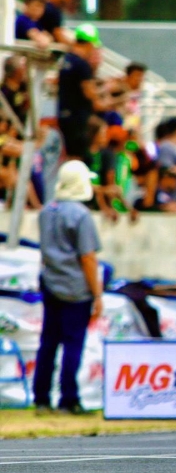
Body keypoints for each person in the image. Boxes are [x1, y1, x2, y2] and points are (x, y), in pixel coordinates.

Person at [34, 161, 103, 415]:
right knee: (73, 343)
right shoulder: (80, 214)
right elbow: (87, 257)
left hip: (51, 283)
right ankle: (68, 399)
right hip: (76, 287)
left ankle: (41, 398)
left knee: (48, 342)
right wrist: (97, 294)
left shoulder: (47, 210)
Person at [58, 24, 104, 159]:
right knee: (78, 157)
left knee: (71, 154)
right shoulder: (82, 64)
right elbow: (89, 92)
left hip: (65, 115)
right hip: (78, 118)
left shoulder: (66, 60)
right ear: (89, 44)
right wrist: (102, 93)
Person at [2, 56, 29, 129]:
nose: (25, 70)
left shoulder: (24, 87)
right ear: (17, 71)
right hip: (11, 134)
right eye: (23, 67)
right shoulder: (4, 93)